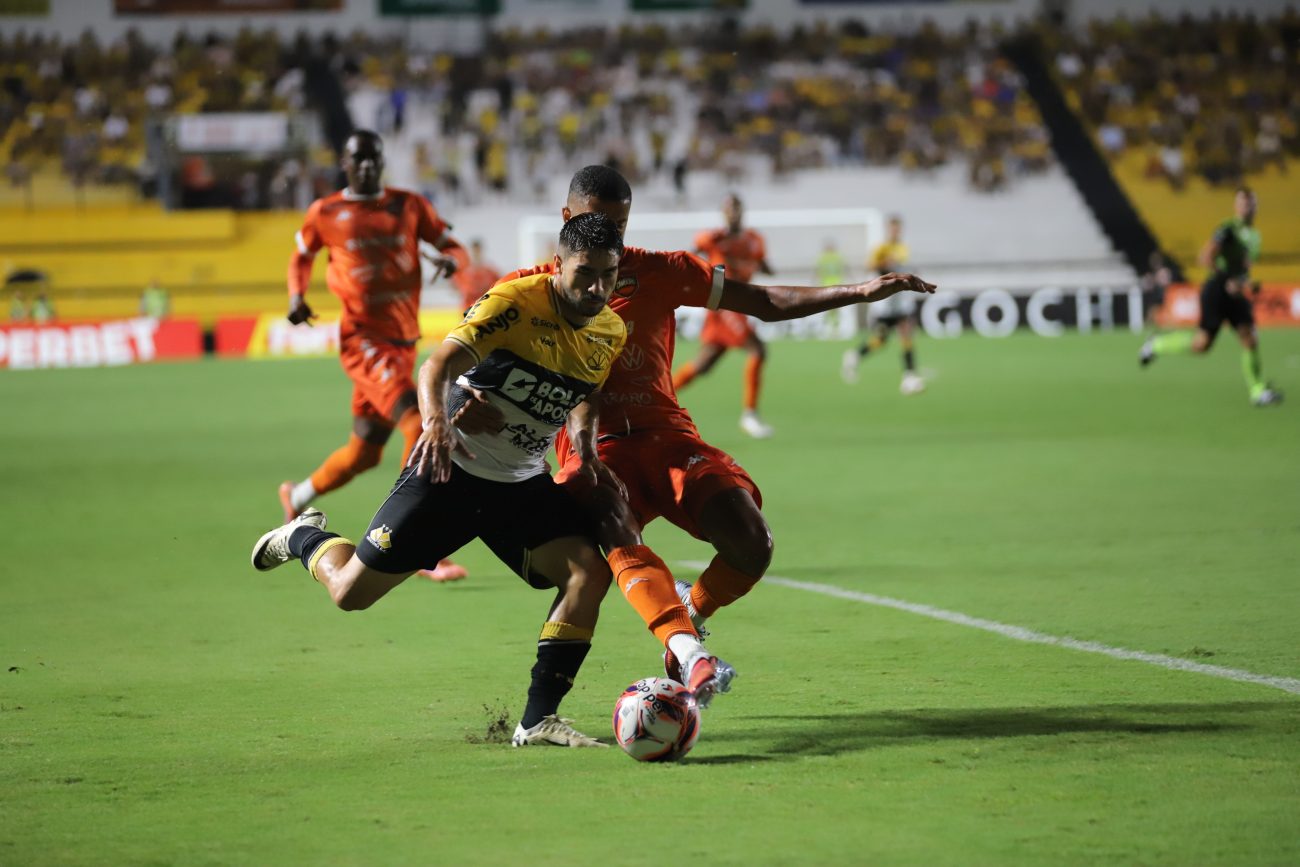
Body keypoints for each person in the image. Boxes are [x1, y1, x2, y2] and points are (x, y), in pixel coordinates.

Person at [251, 213, 727, 748]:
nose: (597, 289)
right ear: (559, 265)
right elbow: (437, 367)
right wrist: (439, 420)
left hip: (520, 483)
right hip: (450, 471)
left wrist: (587, 451)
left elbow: (585, 395)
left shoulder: (609, 329)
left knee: (587, 572)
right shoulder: (514, 303)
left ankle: (537, 719)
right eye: (585, 274)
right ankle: (303, 535)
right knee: (349, 594)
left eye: (608, 275)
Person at [493, 166, 934, 685]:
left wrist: (859, 292)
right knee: (601, 544)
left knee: (752, 541)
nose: (609, 235)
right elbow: (474, 363)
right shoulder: (523, 290)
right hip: (595, 449)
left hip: (667, 439)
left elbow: (763, 302)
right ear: (567, 217)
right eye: (597, 222)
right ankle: (654, 666)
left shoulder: (663, 270)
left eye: (620, 225)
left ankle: (692, 612)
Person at [276, 130, 472, 582]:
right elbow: (301, 257)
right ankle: (412, 541)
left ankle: (297, 495)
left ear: (382, 163)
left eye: (373, 159)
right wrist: (296, 295)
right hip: (363, 340)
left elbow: (453, 247)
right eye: (357, 158)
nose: (366, 166)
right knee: (419, 423)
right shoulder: (326, 212)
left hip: (402, 342)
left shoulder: (409, 205)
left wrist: (452, 261)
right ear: (344, 163)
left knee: (364, 452)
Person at [1140, 187, 1282, 407]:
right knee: (1201, 345)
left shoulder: (1255, 236)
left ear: (1257, 206)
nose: (1247, 207)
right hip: (1216, 290)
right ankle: (1157, 344)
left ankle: (1257, 391)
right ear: (1236, 206)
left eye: (1251, 203)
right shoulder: (1228, 229)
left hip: (1235, 293)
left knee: (1249, 338)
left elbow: (1242, 268)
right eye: (1243, 203)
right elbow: (1205, 257)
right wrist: (1226, 279)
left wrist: (1245, 284)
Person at [672, 193, 776, 438]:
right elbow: (694, 249)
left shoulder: (754, 239)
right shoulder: (715, 238)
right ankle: (750, 415)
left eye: (736, 208)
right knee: (758, 349)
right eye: (729, 209)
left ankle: (655, 397)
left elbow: (763, 263)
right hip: (724, 304)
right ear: (723, 213)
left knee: (703, 365)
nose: (733, 213)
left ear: (742, 211)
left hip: (739, 305)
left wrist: (763, 268)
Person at [841, 215, 924, 394]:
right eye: (893, 229)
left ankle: (909, 376)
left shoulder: (903, 248)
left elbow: (903, 267)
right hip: (885, 303)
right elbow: (870, 265)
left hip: (900, 302)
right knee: (880, 340)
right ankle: (855, 355)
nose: (895, 232)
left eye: (898, 229)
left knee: (906, 334)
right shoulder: (881, 248)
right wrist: (884, 263)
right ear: (888, 229)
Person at [450, 239, 500, 313]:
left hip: (485, 308)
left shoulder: (490, 271)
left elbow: (500, 285)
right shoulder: (462, 270)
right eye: (474, 250)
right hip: (468, 309)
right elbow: (454, 285)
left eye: (477, 250)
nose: (475, 253)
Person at [1140, 251, 1173, 330]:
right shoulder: (1151, 273)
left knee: (1164, 312)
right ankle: (1148, 325)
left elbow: (1166, 283)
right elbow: (1146, 286)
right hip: (1154, 296)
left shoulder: (1164, 270)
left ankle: (1167, 325)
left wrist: (1155, 279)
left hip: (1163, 295)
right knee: (1151, 311)